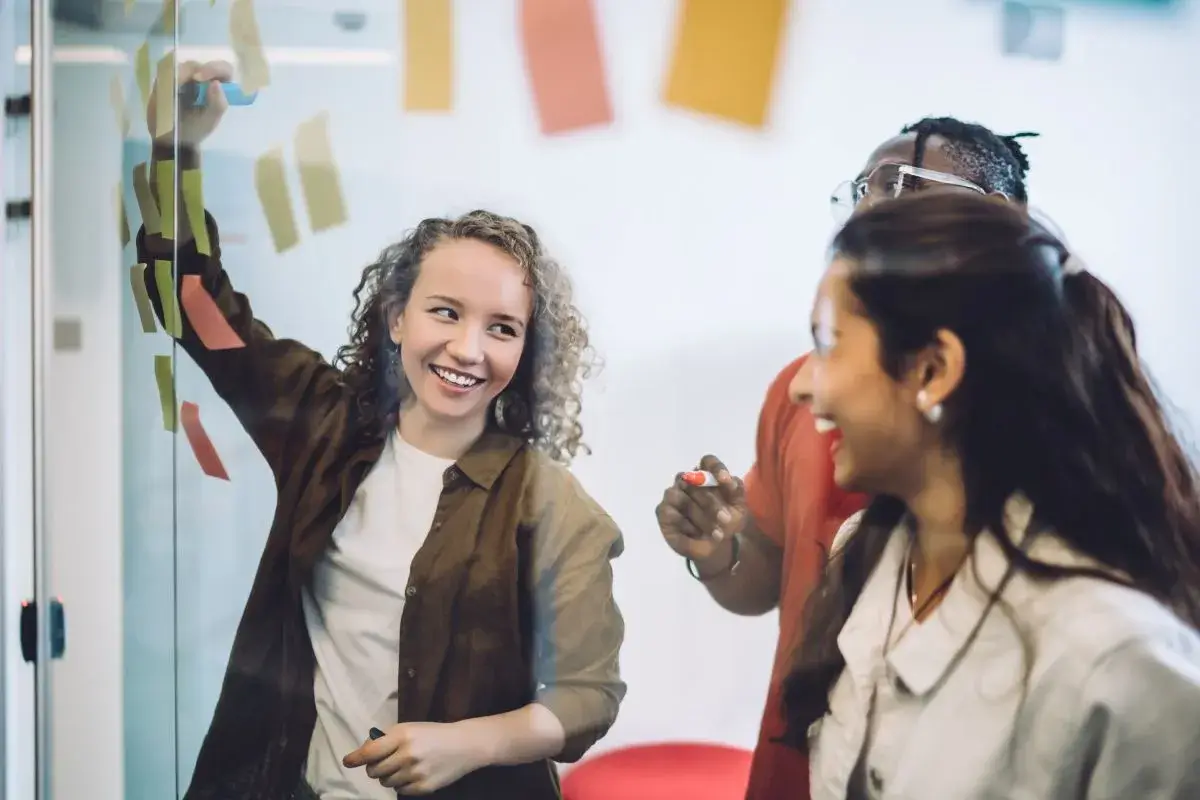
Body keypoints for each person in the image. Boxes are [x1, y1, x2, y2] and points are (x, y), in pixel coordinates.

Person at [140, 61, 625, 799]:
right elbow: (192, 308)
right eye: (445, 312)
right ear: (396, 317)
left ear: (525, 352)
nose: (468, 349)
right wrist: (176, 148)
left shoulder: (553, 506)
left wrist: (470, 744)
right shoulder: (323, 425)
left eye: (503, 328)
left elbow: (590, 696)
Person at [655, 116, 1036, 800]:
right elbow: (770, 581)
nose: (870, 204)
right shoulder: (801, 393)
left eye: (900, 183)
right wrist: (719, 551)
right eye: (861, 186)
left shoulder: (1033, 421)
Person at [782, 191, 1200, 799]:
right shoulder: (867, 558)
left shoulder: (1117, 660)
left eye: (827, 342)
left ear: (931, 371)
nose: (800, 386)